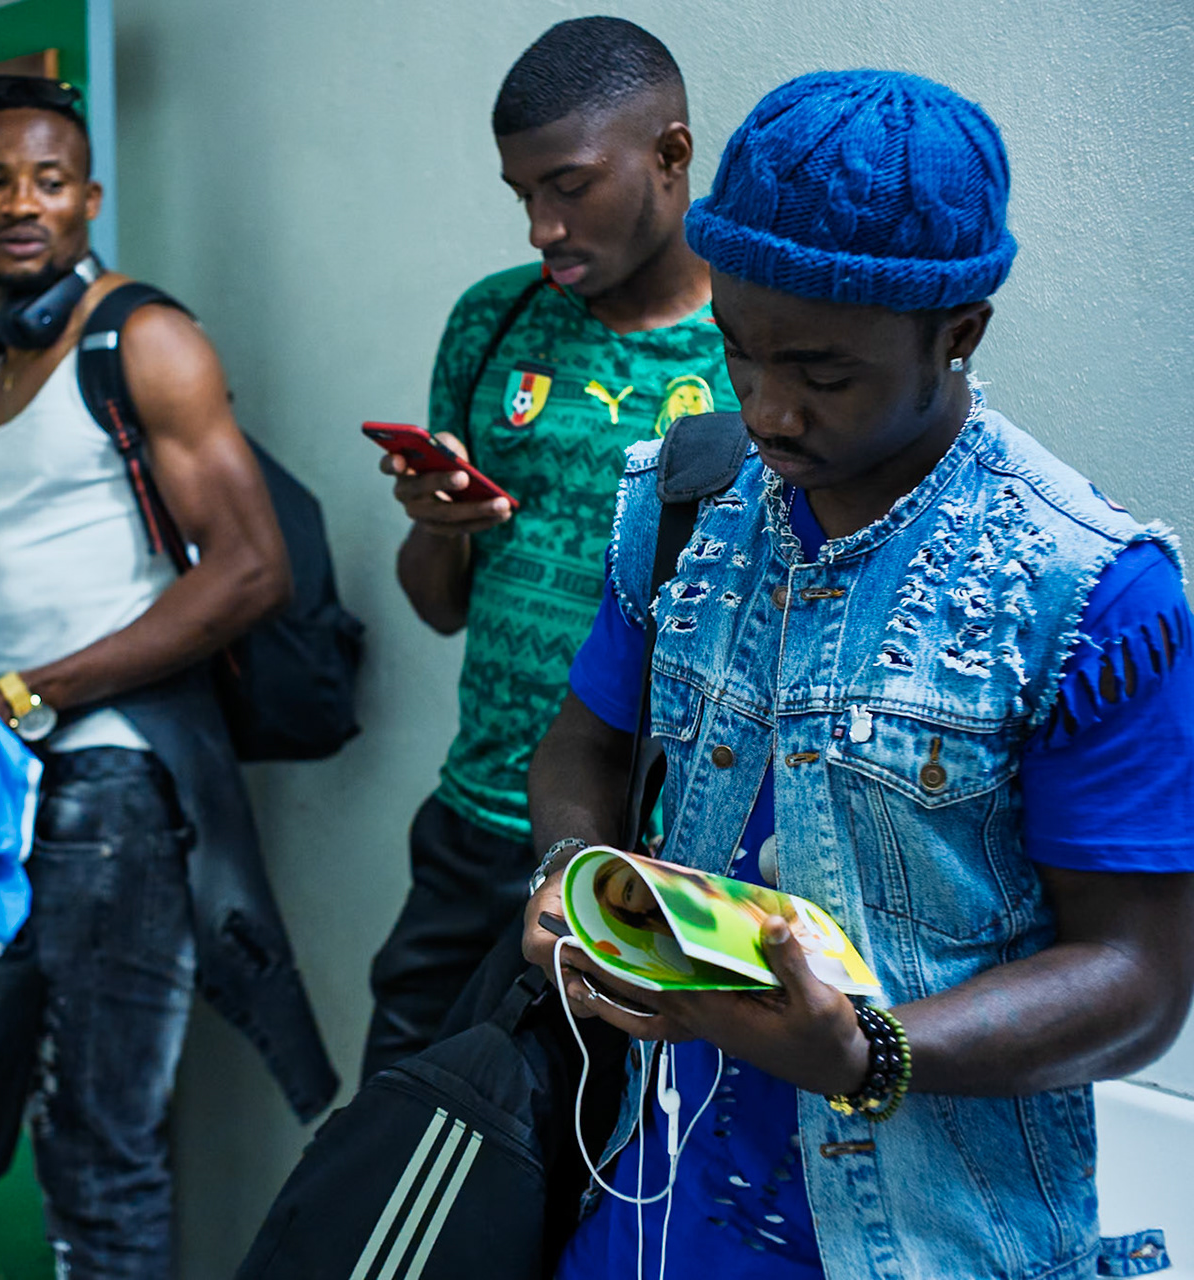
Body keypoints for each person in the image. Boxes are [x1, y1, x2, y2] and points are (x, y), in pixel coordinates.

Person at [523, 69, 1194, 1280]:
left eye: (825, 374)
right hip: (648, 1199)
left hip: (924, 1242)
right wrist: (574, 884)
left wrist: (868, 1051)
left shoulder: (1087, 591)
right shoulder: (686, 507)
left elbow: (1140, 979)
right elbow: (582, 744)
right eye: (740, 353)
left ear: (959, 332)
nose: (770, 411)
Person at [0, 74, 336, 1279]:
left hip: (117, 788)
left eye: (48, 180)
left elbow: (249, 571)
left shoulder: (144, 339)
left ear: (89, 199)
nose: (21, 203)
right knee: (13, 1105)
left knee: (102, 1138)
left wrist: (35, 693)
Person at [363, 17, 737, 1079]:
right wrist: (437, 531)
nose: (541, 225)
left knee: (599, 1180)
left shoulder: (753, 342)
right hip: (478, 819)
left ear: (671, 155)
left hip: (662, 855)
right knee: (388, 1143)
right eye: (521, 192)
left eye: (568, 186)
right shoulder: (493, 323)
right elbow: (439, 604)